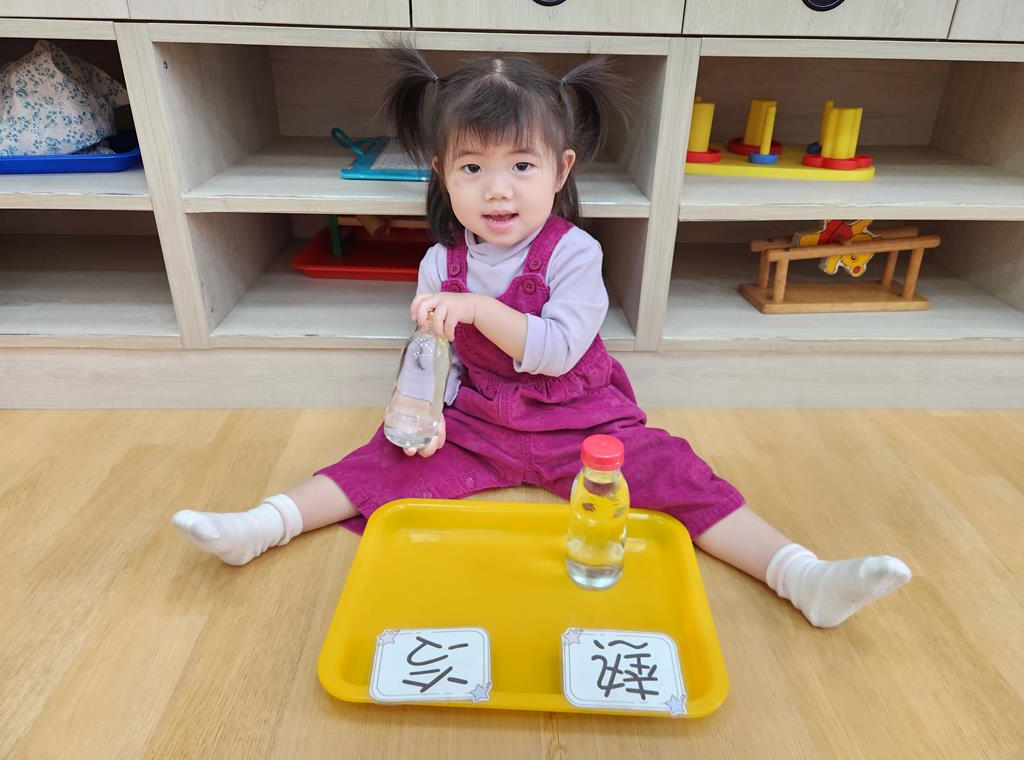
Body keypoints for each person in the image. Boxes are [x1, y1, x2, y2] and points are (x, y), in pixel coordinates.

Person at [173, 47, 910, 628]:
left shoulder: (574, 254)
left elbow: (556, 349)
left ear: (560, 171)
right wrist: (424, 411)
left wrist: (474, 309)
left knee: (677, 473)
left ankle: (801, 576)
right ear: (444, 174)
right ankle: (262, 526)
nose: (498, 189)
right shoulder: (439, 261)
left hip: (582, 424)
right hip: (478, 426)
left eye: (521, 166)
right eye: (473, 167)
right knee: (376, 461)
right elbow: (434, 353)